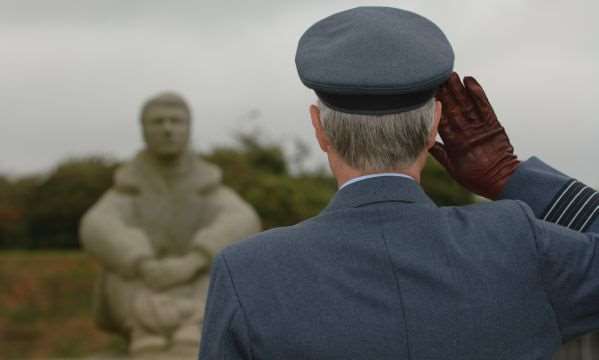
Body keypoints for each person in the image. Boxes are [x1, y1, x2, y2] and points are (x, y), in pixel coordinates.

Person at [199, 6, 599, 359]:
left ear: (320, 129)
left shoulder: (251, 273)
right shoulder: (516, 244)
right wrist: (510, 176)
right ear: (433, 126)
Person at [79, 92, 261, 357]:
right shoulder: (129, 185)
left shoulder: (206, 182)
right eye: (158, 122)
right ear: (144, 130)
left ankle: (192, 332)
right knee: (117, 270)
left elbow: (243, 218)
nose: (167, 129)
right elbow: (97, 224)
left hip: (196, 285)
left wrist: (194, 260)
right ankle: (146, 332)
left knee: (219, 270)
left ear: (189, 128)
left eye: (176, 121)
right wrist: (141, 261)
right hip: (142, 285)